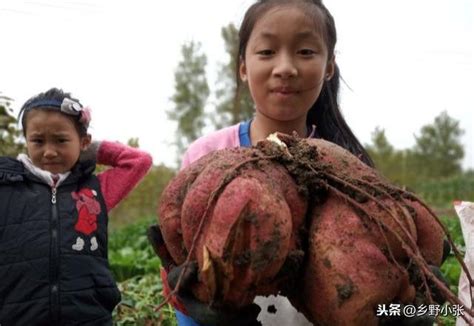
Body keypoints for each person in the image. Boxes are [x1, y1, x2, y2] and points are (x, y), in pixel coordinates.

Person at [148, 0, 446, 325]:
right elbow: (182, 274)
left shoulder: (349, 169)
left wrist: (415, 307)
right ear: (243, 67)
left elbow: (386, 273)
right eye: (266, 52)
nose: (286, 67)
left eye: (305, 52)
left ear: (329, 66)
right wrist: (196, 309)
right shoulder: (207, 155)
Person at [0, 88, 153, 325]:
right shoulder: (7, 186)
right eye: (37, 141)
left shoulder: (97, 189)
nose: (49, 152)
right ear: (26, 141)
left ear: (83, 142)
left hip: (89, 317)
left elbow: (138, 162)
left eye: (61, 140)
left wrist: (90, 150)